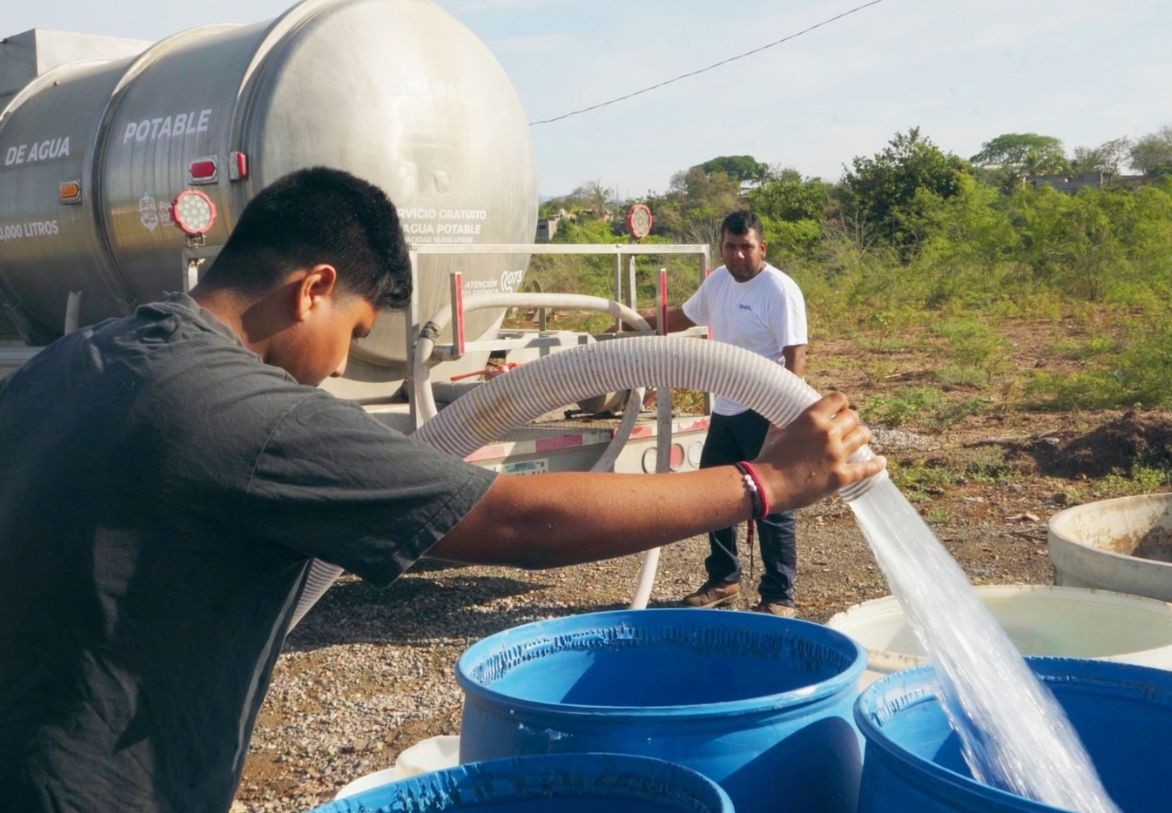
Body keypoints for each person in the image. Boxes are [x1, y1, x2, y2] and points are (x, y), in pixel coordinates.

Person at [0, 168, 883, 812]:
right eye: (351, 329)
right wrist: (769, 479)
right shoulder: (248, 416)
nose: (342, 362)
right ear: (312, 289)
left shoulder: (78, 358)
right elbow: (519, 521)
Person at [622, 211, 808, 617]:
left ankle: (779, 596)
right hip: (727, 407)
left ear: (762, 247)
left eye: (746, 247)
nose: (738, 255)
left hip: (766, 408)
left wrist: (784, 418)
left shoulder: (778, 290)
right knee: (714, 497)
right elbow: (684, 317)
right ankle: (724, 579)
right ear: (722, 246)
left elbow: (795, 354)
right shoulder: (718, 282)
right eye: (730, 247)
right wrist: (634, 325)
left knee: (771, 502)